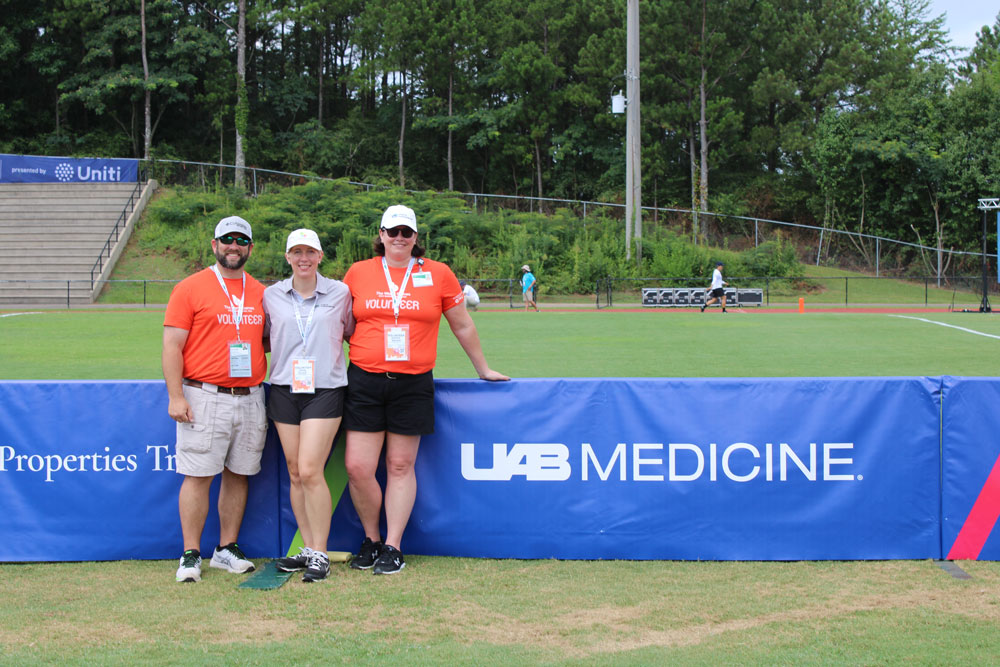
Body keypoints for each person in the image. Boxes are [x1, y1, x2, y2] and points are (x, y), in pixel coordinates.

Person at [342, 204, 509, 575]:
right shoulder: (358, 272)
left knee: (400, 465)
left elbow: (462, 325)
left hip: (413, 381)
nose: (399, 238)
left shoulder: (438, 273)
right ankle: (370, 539)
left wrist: (482, 369)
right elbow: (339, 325)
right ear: (381, 235)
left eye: (407, 233)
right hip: (365, 379)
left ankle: (393, 545)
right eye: (392, 231)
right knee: (357, 467)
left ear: (416, 238)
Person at [163, 215, 268, 583]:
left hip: (251, 396)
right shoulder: (190, 288)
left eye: (241, 240)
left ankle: (226, 548)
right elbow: (172, 345)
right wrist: (176, 396)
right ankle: (191, 553)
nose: (233, 246)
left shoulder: (259, 291)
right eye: (227, 240)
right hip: (204, 395)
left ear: (250, 248)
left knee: (239, 473)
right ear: (214, 245)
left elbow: (267, 341)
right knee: (198, 475)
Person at [263, 229, 354, 583]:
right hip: (284, 386)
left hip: (326, 388)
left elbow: (351, 332)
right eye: (296, 252)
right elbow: (266, 338)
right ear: (287, 257)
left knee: (311, 468)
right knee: (295, 470)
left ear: (320, 256)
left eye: (310, 252)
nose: (303, 258)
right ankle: (307, 550)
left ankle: (319, 551)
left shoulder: (340, 292)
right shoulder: (271, 295)